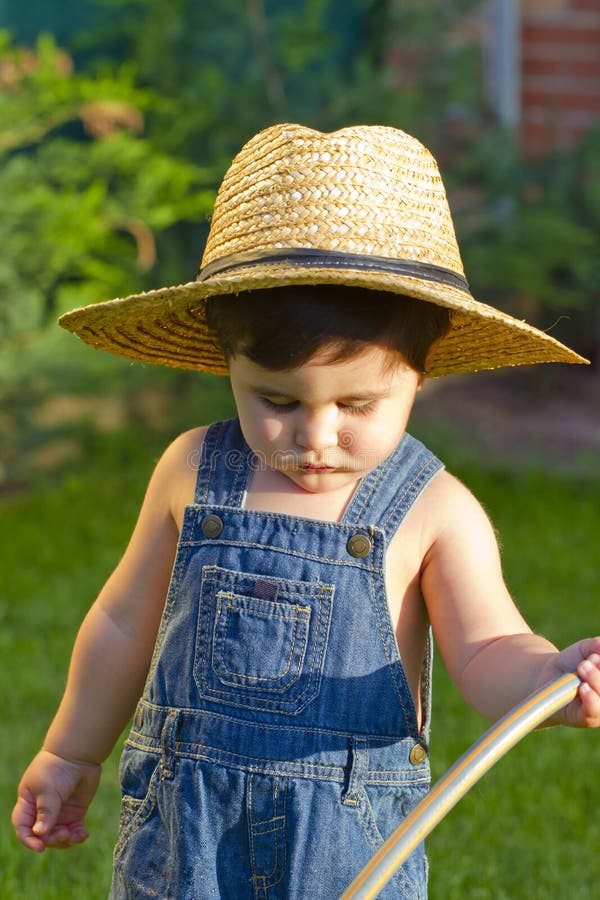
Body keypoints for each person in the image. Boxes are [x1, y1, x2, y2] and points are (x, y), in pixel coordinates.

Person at [12, 123, 600, 899]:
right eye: (276, 399)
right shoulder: (192, 470)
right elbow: (123, 621)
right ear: (228, 366)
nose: (315, 436)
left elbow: (489, 648)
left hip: (348, 854)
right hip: (186, 841)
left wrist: (550, 682)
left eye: (357, 403)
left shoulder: (434, 510)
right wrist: (70, 752)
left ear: (419, 378)